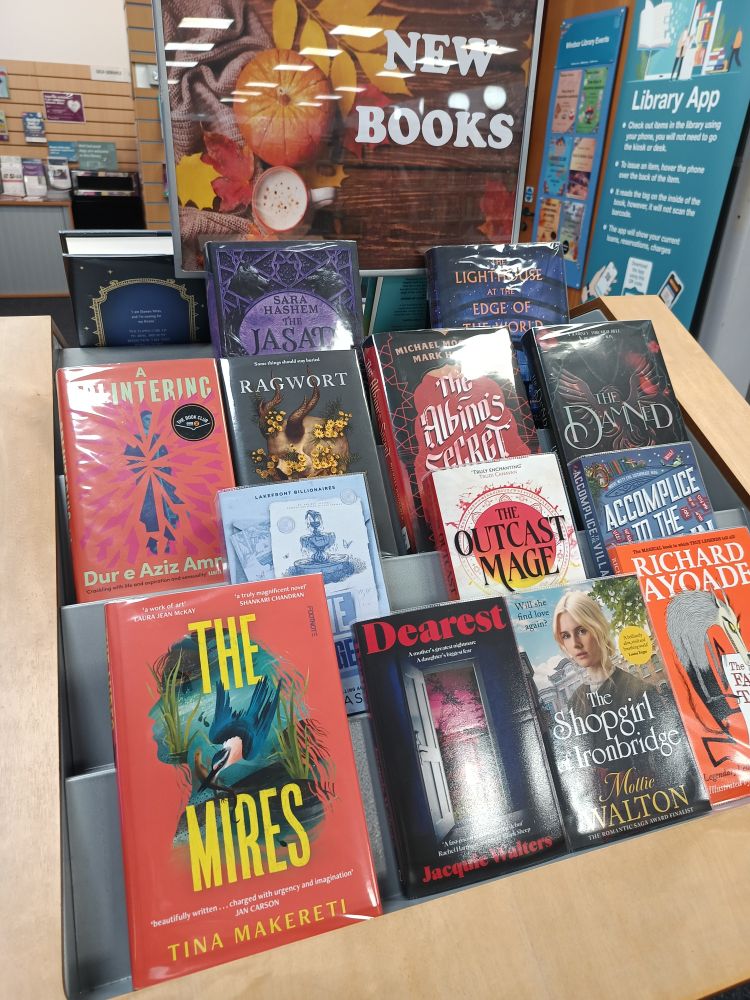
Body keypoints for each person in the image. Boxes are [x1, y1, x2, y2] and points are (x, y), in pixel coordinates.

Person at [552, 590, 650, 716]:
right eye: (566, 636)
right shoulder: (575, 703)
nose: (575, 643)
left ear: (599, 629)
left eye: (582, 630)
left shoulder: (641, 691)